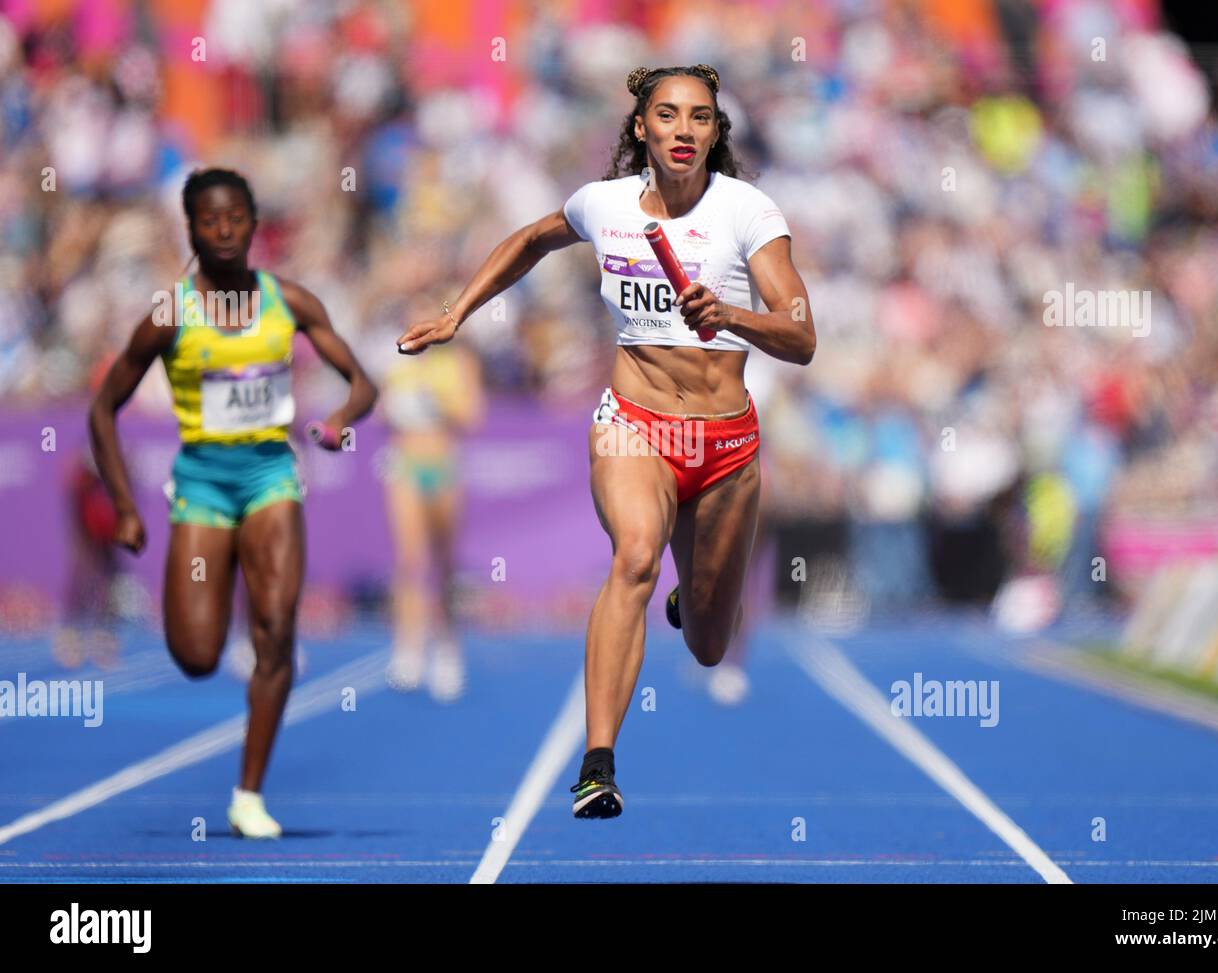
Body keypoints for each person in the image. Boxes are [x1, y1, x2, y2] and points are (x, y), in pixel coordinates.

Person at [397, 64, 815, 819]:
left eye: (698, 117)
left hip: (725, 446)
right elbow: (530, 239)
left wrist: (730, 314)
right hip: (634, 425)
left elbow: (802, 334)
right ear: (640, 128)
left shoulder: (749, 213)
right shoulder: (605, 205)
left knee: (711, 645)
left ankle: (700, 593)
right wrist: (459, 311)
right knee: (632, 557)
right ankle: (598, 763)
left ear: (716, 133)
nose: (683, 130)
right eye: (667, 114)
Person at [88, 168, 377, 838]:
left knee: (276, 630)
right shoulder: (169, 314)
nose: (223, 231)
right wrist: (126, 508)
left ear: (254, 225)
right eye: (209, 221)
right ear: (190, 229)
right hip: (201, 485)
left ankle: (249, 793)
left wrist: (339, 420)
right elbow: (104, 409)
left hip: (272, 475)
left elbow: (361, 381)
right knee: (195, 654)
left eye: (236, 218)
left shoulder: (289, 301)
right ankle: (214, 634)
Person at [379, 327, 484, 700]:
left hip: (443, 465)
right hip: (406, 463)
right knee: (409, 559)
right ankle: (408, 647)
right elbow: (383, 411)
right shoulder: (396, 359)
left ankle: (447, 647)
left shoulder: (458, 361)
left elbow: (472, 415)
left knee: (444, 563)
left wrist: (435, 397)